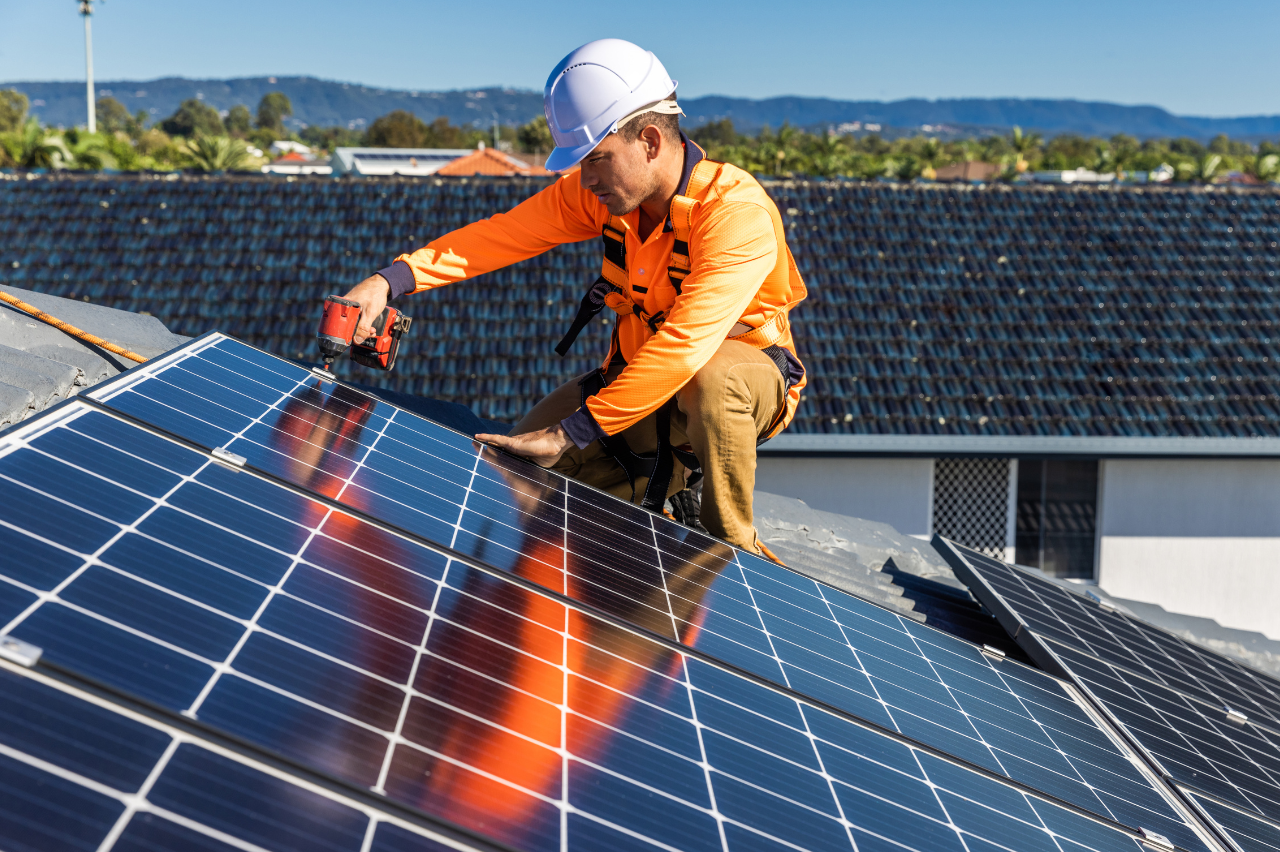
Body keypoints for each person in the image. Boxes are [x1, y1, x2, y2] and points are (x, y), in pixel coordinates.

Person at [341, 38, 806, 558]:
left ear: (650, 140)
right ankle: (662, 494)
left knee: (713, 381)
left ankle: (733, 557)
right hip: (635, 382)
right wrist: (391, 281)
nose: (585, 179)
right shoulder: (605, 197)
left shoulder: (734, 216)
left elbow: (686, 344)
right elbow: (501, 236)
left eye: (597, 160)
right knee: (510, 475)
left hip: (735, 384)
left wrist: (572, 432)